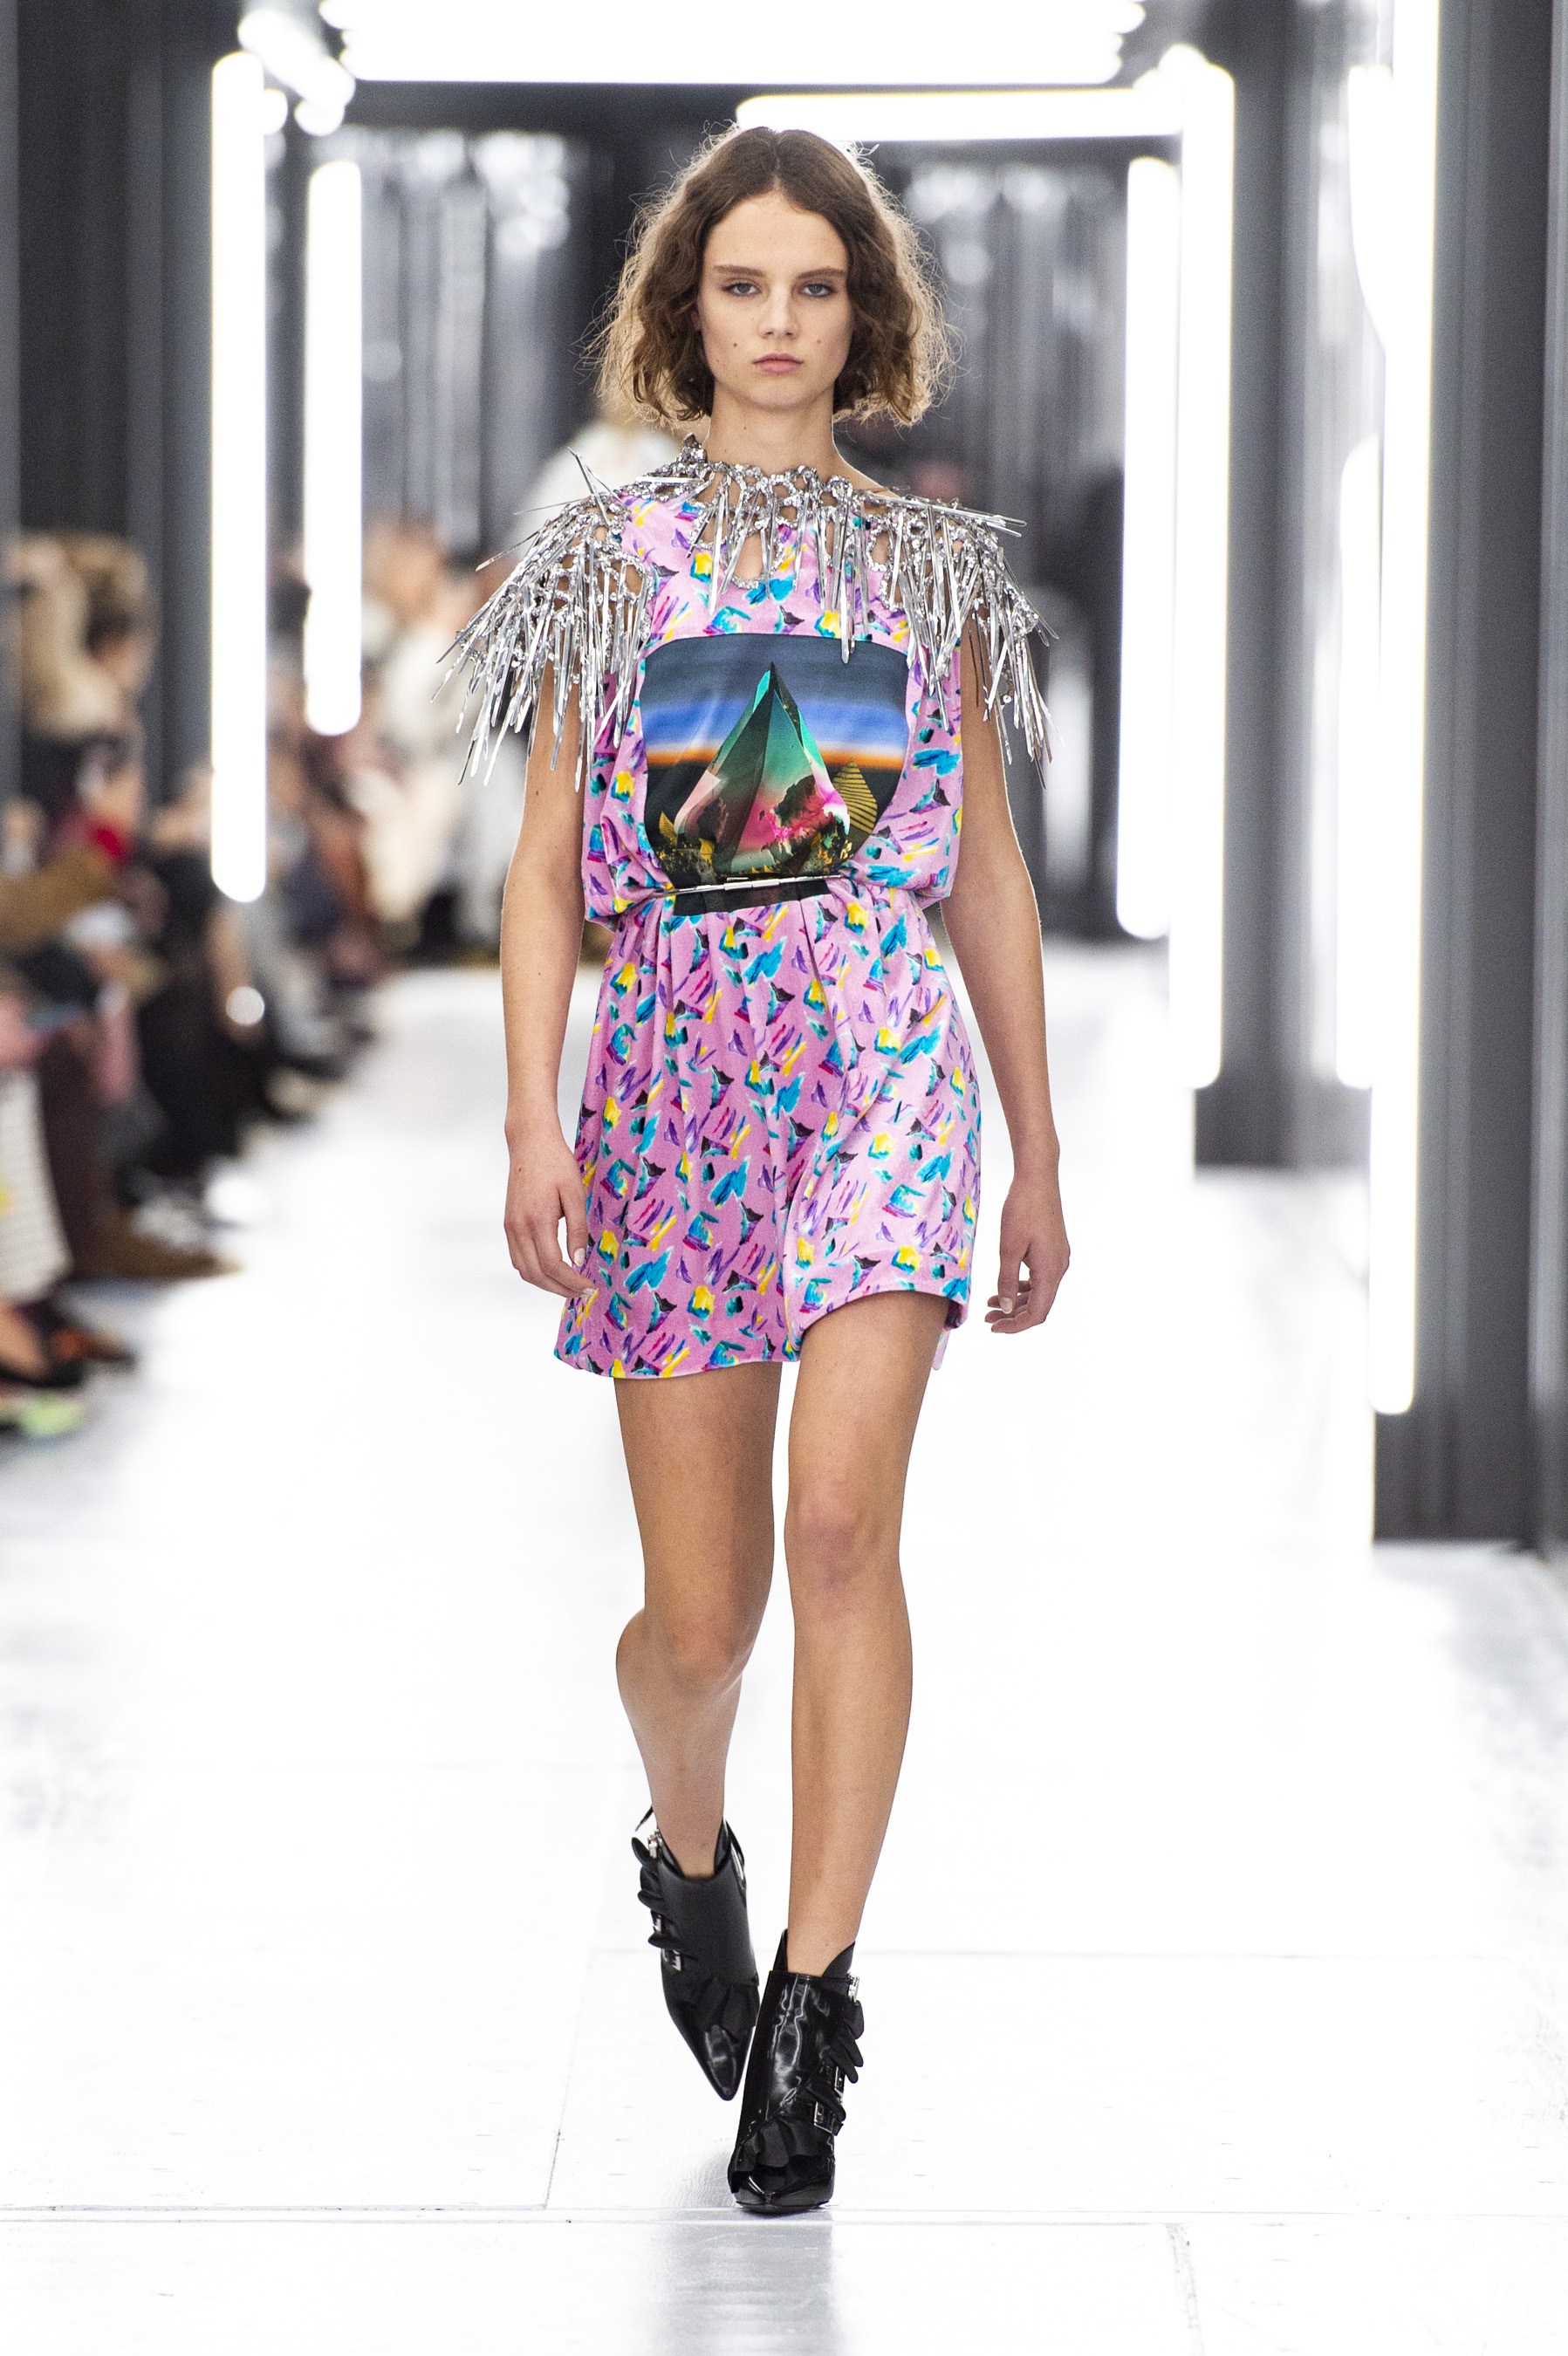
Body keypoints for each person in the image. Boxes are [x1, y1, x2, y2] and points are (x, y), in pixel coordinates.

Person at [467, 127, 1070, 2215]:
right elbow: (539, 875)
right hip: (672, 1087)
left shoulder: (931, 570)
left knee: (839, 1533)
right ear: (687, 310)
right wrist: (531, 1113)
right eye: (745, 285)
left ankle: (812, 2010)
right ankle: (687, 1848)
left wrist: (1035, 1151)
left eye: (817, 286)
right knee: (701, 1623)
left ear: (861, 315)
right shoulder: (603, 563)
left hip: (882, 1065)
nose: (781, 322)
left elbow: (982, 876)